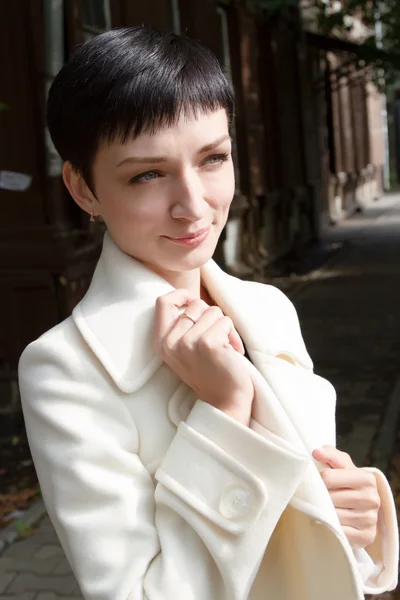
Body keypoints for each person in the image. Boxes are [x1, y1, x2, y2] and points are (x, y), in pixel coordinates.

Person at [18, 26, 398, 600]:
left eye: (213, 158)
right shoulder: (65, 369)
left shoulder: (267, 309)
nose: (193, 205)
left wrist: (356, 522)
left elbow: (310, 539)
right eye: (147, 174)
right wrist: (224, 409)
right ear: (84, 189)